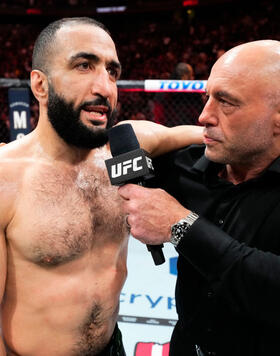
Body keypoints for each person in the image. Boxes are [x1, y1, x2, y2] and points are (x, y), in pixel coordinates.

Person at [0, 17, 203, 356]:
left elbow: (209, 136)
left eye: (112, 72)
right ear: (40, 85)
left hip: (113, 345)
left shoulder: (124, 146)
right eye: (84, 66)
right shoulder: (7, 178)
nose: (105, 88)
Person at [119, 39, 280, 356]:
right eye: (207, 97)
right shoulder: (188, 166)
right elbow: (124, 138)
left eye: (226, 102)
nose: (205, 115)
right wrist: (185, 134)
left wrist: (181, 226)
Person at [153, 62, 204, 126]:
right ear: (184, 77)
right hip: (183, 128)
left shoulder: (193, 93)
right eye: (191, 75)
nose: (193, 78)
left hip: (173, 128)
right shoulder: (165, 91)